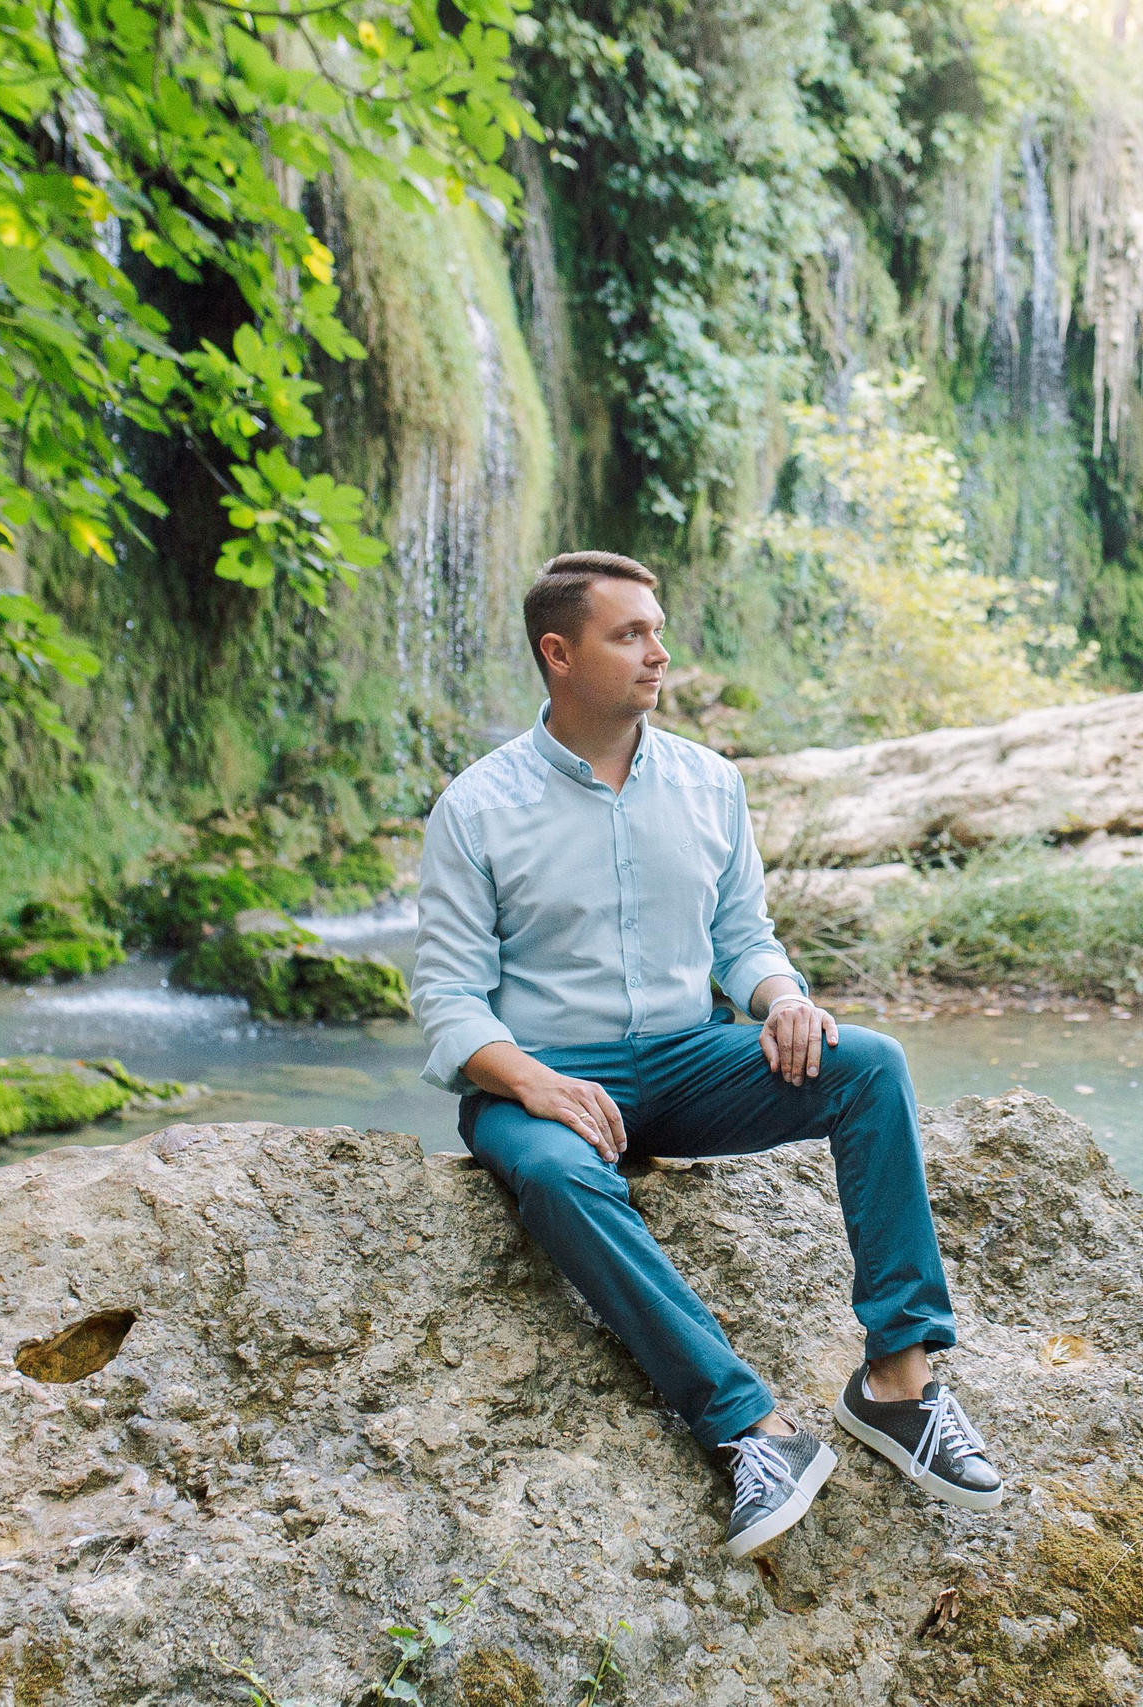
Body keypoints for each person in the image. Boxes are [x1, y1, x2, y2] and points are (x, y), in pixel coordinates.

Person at [410, 550, 1002, 1561]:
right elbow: (447, 995)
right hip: (540, 1075)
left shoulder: (707, 782)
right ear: (558, 654)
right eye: (628, 634)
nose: (659, 652)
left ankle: (899, 1385)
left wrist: (781, 999)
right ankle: (747, 1429)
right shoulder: (477, 805)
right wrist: (535, 1083)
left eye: (658, 628)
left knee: (869, 1064)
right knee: (552, 1171)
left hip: (688, 1061)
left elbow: (744, 937)